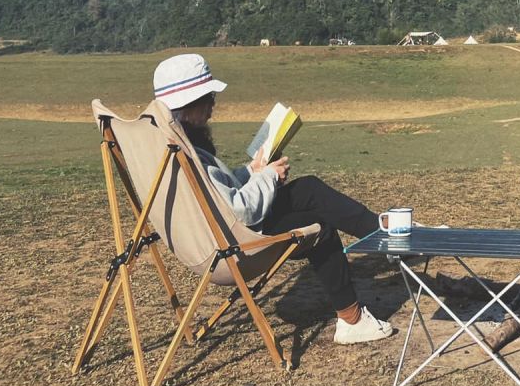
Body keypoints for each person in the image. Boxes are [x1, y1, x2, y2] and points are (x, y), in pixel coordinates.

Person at [152, 52, 394, 345]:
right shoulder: (188, 153)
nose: (213, 107)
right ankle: (362, 294)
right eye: (208, 99)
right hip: (231, 248)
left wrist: (252, 171)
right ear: (187, 106)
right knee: (318, 222)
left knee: (308, 190)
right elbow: (240, 212)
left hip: (203, 242)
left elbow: (217, 195)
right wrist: (269, 177)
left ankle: (381, 232)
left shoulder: (166, 146)